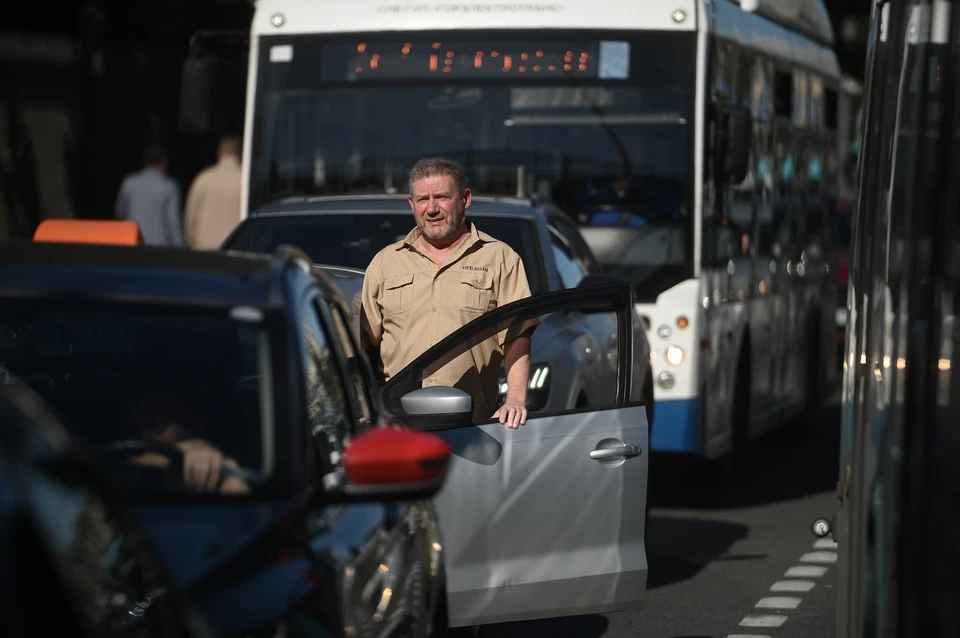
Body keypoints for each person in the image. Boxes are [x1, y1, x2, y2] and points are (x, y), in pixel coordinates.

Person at [359, 157, 538, 429]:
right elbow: (359, 344)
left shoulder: (501, 259)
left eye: (442, 197)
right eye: (423, 199)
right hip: (398, 426)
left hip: (471, 426)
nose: (431, 209)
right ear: (411, 203)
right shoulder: (385, 263)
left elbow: (517, 336)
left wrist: (514, 399)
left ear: (465, 199)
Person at [128, 393, 249, 495]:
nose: (147, 436)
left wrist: (226, 475)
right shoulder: (126, 469)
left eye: (157, 426)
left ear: (191, 428)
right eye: (140, 427)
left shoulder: (218, 467)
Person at [115, 143, 184, 246]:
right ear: (164, 162)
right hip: (158, 248)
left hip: (132, 244)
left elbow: (120, 214)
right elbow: (173, 223)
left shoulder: (129, 183)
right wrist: (180, 247)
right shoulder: (169, 186)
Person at [184, 136, 243, 249]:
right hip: (235, 248)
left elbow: (191, 216)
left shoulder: (203, 178)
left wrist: (191, 241)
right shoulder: (244, 179)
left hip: (204, 247)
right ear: (239, 154)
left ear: (219, 154)